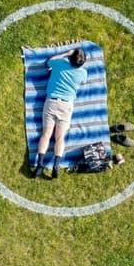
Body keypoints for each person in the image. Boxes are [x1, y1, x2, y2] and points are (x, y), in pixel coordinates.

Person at [31, 48, 88, 180]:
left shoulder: (59, 63)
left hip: (51, 102)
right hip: (66, 106)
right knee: (60, 137)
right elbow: (83, 81)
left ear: (70, 57)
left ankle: (39, 164)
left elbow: (48, 62)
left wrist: (65, 54)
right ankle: (56, 165)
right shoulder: (83, 73)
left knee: (46, 134)